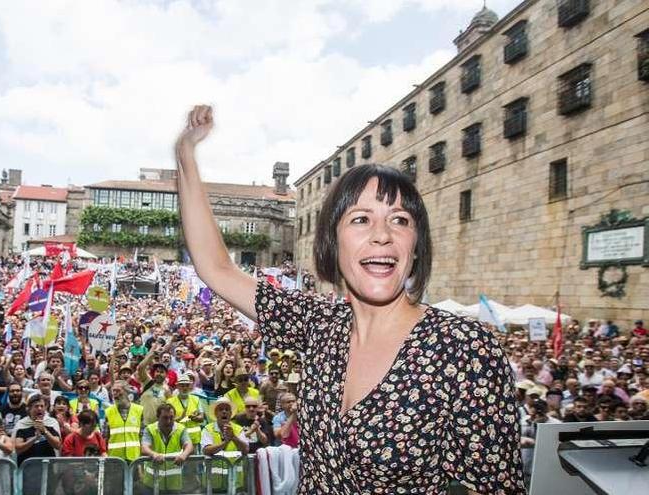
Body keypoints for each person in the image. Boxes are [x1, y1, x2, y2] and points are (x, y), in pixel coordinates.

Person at [175, 106, 525, 493]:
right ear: (332, 241)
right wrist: (186, 153)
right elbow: (216, 267)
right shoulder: (319, 323)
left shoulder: (466, 350)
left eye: (400, 220)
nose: (382, 235)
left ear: (416, 246)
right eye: (361, 219)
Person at [140, 403, 193, 493]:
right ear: (158, 417)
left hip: (174, 483)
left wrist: (184, 455)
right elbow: (144, 448)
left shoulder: (181, 429)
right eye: (165, 418)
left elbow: (189, 446)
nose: (168, 421)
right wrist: (154, 454)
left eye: (171, 417)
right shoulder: (149, 429)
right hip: (151, 483)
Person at [200, 398, 248, 493]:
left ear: (231, 413)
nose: (224, 412)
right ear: (216, 413)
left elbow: (245, 449)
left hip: (235, 484)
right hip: (212, 484)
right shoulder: (207, 429)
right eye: (221, 409)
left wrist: (233, 437)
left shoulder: (238, 430)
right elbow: (206, 450)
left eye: (227, 409)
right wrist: (225, 443)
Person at [15, 394, 62, 465]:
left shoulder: (51, 425)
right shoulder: (22, 426)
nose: (39, 409)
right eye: (36, 406)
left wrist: (44, 431)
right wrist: (35, 438)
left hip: (47, 468)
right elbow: (18, 449)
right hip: (28, 469)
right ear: (29, 409)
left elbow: (58, 445)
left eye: (42, 406)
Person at [104, 380, 143, 461]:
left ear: (126, 392)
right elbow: (105, 437)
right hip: (115, 458)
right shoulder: (108, 412)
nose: (115, 394)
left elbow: (142, 436)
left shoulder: (139, 410)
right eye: (113, 391)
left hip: (135, 458)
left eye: (118, 390)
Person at [166, 374, 204, 449]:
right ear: (177, 387)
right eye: (182, 386)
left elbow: (202, 418)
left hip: (194, 440)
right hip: (177, 438)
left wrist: (194, 418)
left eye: (187, 385)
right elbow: (167, 421)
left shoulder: (196, 399)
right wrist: (180, 418)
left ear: (190, 386)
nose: (185, 388)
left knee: (194, 460)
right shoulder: (170, 402)